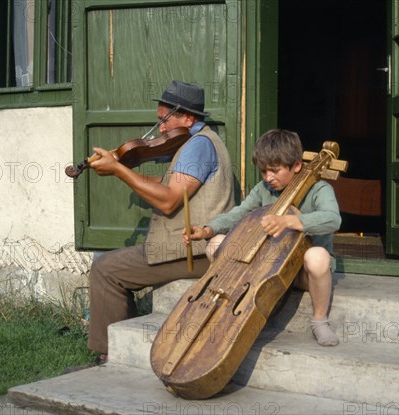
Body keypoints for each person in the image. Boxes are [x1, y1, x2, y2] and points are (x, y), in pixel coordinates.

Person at [84, 81, 235, 363]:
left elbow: (168, 200)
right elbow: (169, 184)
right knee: (110, 266)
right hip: (195, 245)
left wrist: (118, 169)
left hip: (196, 250)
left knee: (106, 269)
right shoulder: (200, 140)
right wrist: (124, 170)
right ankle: (120, 347)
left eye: (164, 119)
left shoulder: (197, 146)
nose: (161, 128)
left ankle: (111, 356)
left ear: (188, 118)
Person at [184, 129, 341, 346]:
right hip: (269, 265)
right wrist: (208, 229)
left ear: (296, 165)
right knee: (216, 244)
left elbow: (333, 219)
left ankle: (319, 321)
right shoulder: (264, 188)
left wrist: (289, 221)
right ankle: (230, 302)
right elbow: (240, 213)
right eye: (264, 171)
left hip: (303, 274)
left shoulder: (319, 189)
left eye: (275, 171)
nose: (269, 178)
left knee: (317, 256)